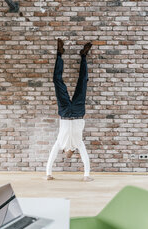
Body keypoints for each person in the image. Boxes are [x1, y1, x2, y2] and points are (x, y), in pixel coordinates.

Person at [46, 38, 93, 182]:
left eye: (67, 156)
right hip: (78, 113)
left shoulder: (59, 143)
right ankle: (83, 56)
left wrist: (48, 174)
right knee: (83, 81)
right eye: (70, 156)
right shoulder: (79, 144)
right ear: (73, 153)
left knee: (56, 81)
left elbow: (52, 156)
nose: (68, 155)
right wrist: (86, 176)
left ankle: (59, 54)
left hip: (65, 113)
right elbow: (85, 157)